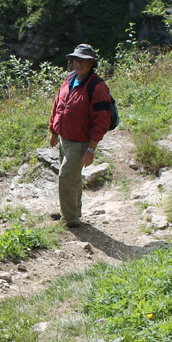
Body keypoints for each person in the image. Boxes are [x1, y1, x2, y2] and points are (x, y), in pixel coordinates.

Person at [48, 43, 113, 228]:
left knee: (66, 177)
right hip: (64, 138)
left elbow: (102, 120)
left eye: (83, 60)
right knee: (72, 178)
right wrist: (53, 130)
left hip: (80, 142)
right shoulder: (70, 79)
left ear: (91, 62)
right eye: (76, 60)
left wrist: (91, 149)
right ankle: (70, 211)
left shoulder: (97, 87)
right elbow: (57, 105)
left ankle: (70, 220)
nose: (79, 64)